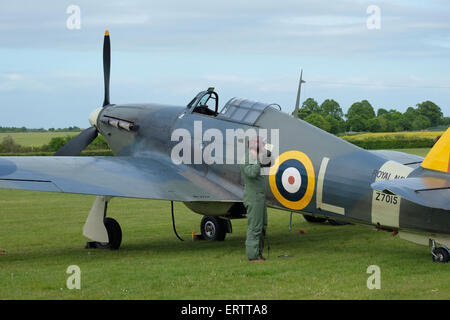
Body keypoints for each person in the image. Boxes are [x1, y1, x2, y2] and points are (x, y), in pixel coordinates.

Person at [240, 136, 270, 262]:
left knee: (262, 225)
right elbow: (252, 173)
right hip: (253, 198)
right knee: (255, 227)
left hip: (260, 197)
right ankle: (253, 256)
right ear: (254, 146)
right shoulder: (246, 159)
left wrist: (263, 151)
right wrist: (258, 159)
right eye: (261, 143)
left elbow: (269, 161)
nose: (263, 145)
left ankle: (259, 253)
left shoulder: (257, 157)